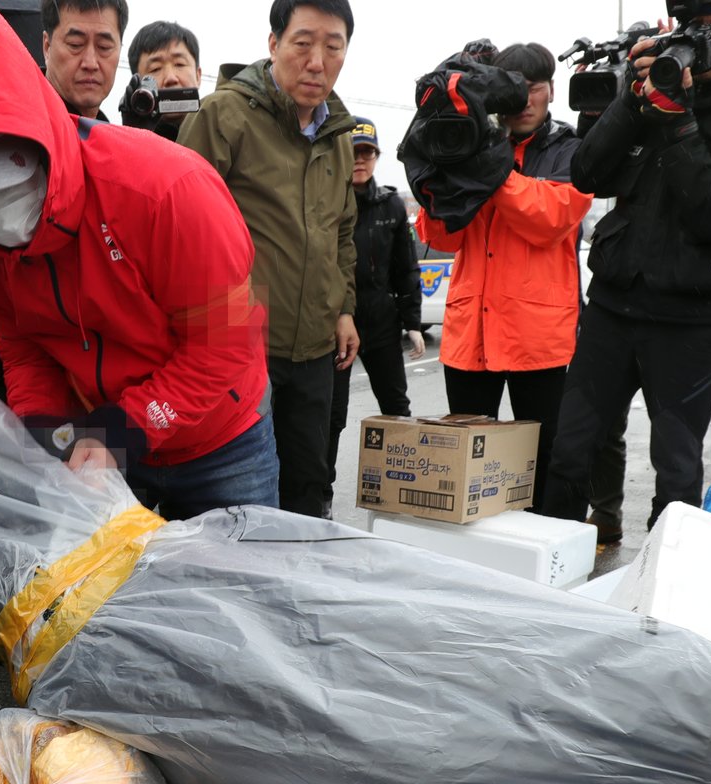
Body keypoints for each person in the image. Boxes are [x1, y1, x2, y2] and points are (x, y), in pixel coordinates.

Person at [0, 0, 276, 520]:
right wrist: (50, 433)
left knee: (242, 590)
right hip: (102, 447)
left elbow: (226, 342)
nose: (3, 226)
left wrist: (122, 429)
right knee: (120, 597)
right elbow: (21, 344)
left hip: (220, 440)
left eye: (17, 193)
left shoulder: (168, 189)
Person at [538, 0, 711, 529]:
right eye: (695, 30)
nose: (705, 44)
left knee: (677, 472)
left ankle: (662, 598)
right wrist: (633, 98)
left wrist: (677, 118)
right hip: (615, 301)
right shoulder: (663, 67)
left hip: (692, 314)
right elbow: (589, 172)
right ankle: (555, 585)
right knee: (569, 451)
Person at [179, 0, 358, 518]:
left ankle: (300, 597)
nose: (317, 61)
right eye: (303, 43)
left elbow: (343, 229)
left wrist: (343, 308)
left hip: (316, 352)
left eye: (333, 46)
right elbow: (183, 226)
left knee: (309, 486)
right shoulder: (224, 115)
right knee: (238, 502)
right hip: (238, 349)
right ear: (274, 43)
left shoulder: (338, 133)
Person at [415, 43, 592, 511]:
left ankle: (557, 557)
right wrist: (442, 168)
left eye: (536, 87)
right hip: (470, 334)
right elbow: (441, 235)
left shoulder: (571, 148)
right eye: (517, 89)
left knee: (550, 462)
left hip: (540, 341)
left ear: (551, 90)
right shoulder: (470, 143)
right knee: (471, 468)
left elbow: (551, 216)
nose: (527, 100)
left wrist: (490, 165)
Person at [325, 116, 421, 513]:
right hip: (335, 324)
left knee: (396, 409)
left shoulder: (391, 205)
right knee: (332, 417)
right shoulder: (328, 201)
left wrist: (413, 322)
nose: (360, 160)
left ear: (376, 157)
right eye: (353, 152)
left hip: (381, 321)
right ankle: (321, 495)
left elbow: (406, 267)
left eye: (367, 152)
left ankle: (402, 490)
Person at [42, 0, 127, 119]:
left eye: (104, 47)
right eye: (75, 44)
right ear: (47, 47)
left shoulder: (105, 131)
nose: (90, 63)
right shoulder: (19, 126)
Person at [119, 19, 201, 140]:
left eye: (179, 64)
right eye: (155, 69)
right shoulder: (122, 143)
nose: (170, 78)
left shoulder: (222, 130)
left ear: (198, 75)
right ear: (137, 83)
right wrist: (133, 138)